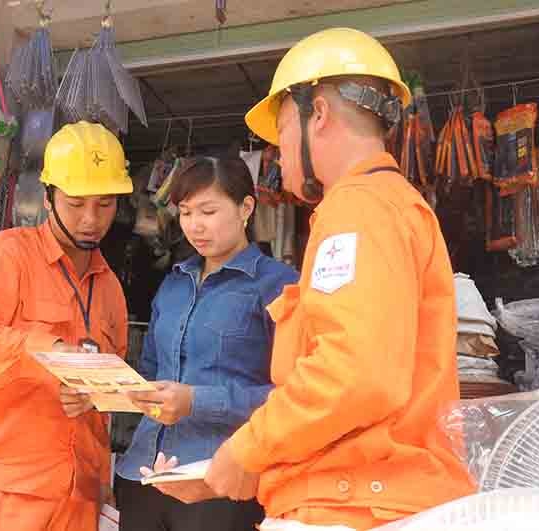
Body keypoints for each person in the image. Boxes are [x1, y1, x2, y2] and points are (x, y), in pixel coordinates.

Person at [162, 27, 475, 530]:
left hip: (350, 503)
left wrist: (247, 448)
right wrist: (252, 465)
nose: (279, 153)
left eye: (282, 130)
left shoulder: (356, 208)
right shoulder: (396, 205)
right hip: (367, 497)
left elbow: (351, 373)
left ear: (320, 114)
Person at [0, 121, 133, 531]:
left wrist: (95, 397)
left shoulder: (110, 288)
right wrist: (44, 355)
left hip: (78, 501)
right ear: (48, 197)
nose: (91, 219)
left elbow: (108, 394)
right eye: (76, 203)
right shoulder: (7, 254)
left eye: (105, 203)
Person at [114, 157, 298, 531]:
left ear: (246, 207)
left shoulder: (278, 284)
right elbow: (150, 370)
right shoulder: (173, 283)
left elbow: (295, 395)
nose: (195, 225)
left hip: (219, 480)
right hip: (143, 475)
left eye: (208, 211)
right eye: (185, 212)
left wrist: (197, 401)